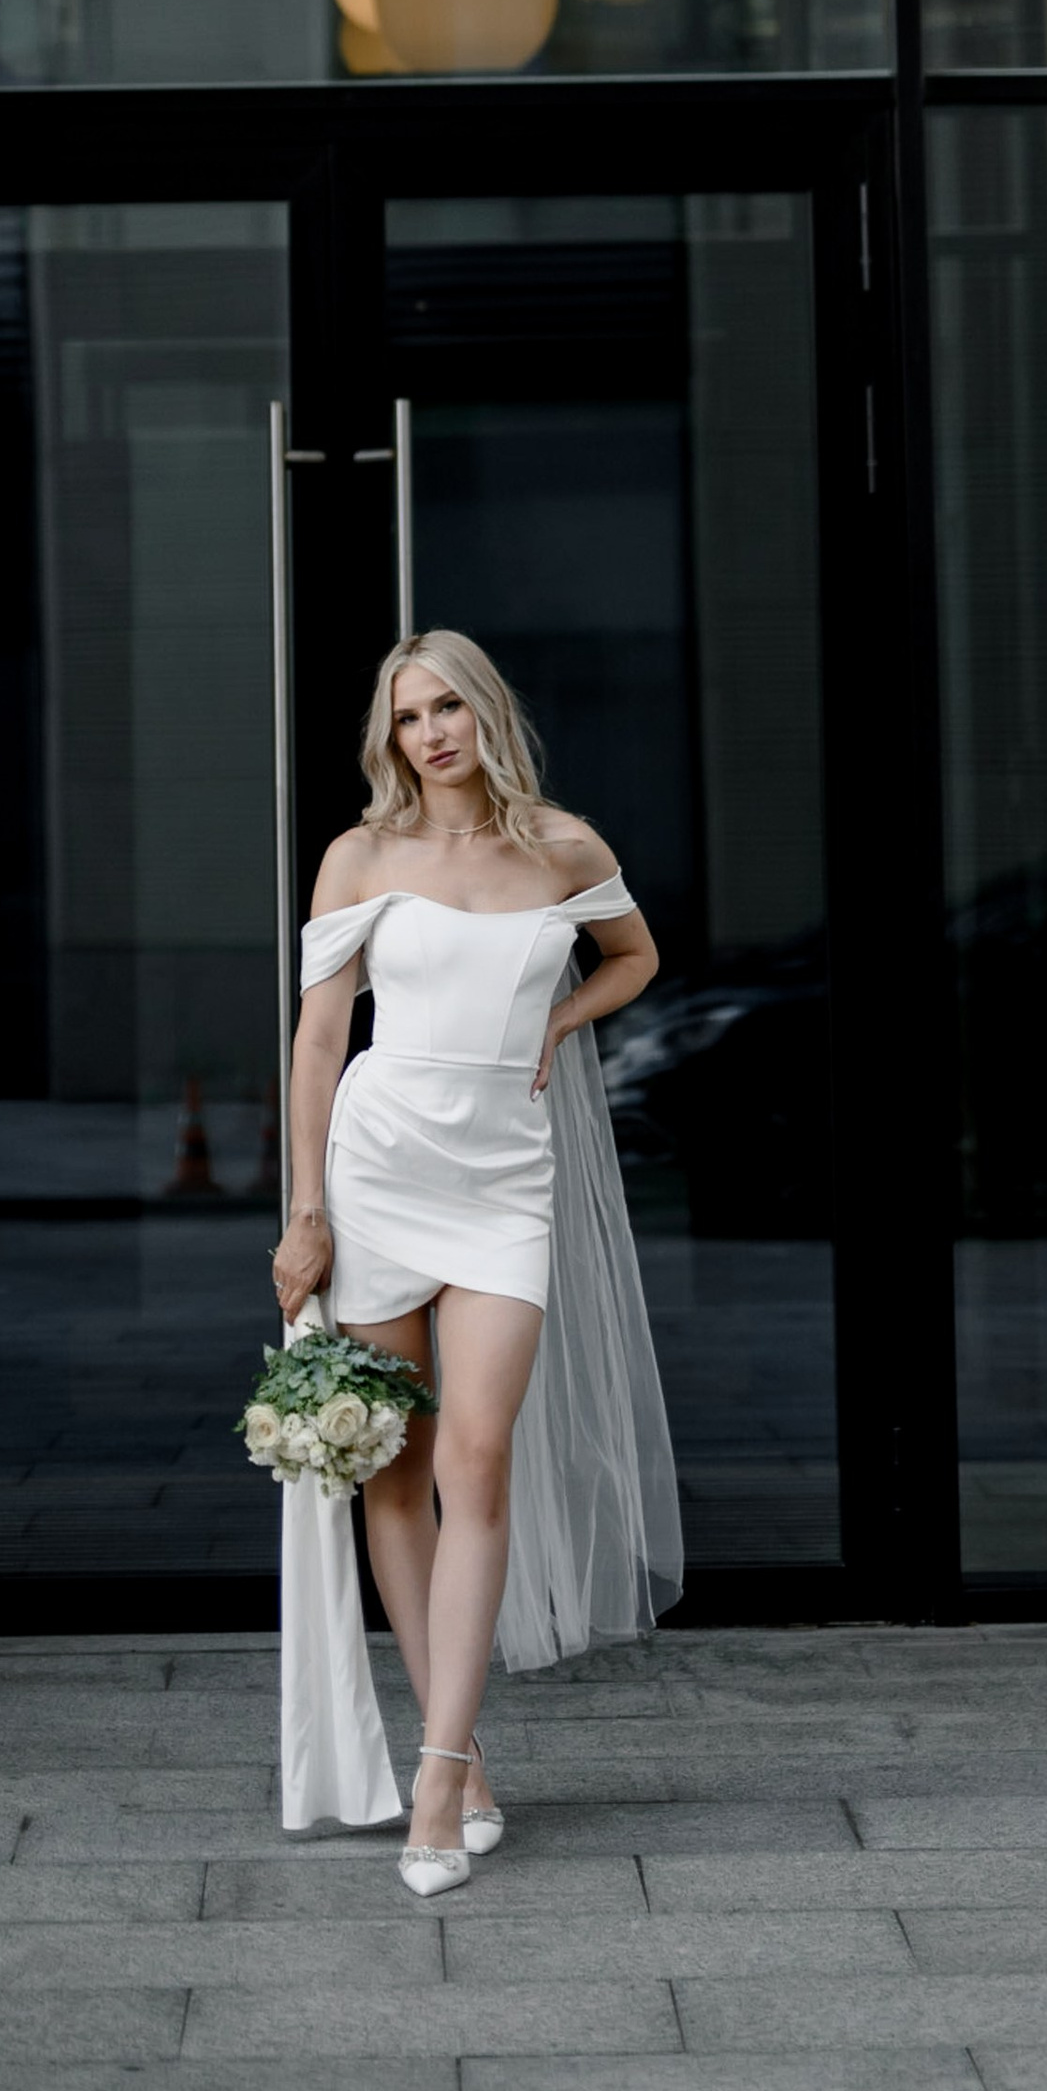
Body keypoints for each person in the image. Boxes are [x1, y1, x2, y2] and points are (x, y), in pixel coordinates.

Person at [271, 629, 680, 1896]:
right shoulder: (362, 855)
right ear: (388, 738)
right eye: (407, 717)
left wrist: (556, 1020)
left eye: (448, 706)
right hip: (378, 1167)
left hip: (504, 1178)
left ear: (484, 711)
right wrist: (304, 1214)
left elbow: (636, 959)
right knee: (392, 1475)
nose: (431, 733)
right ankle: (464, 1750)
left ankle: (435, 1777)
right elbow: (321, 1041)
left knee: (477, 1453)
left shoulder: (564, 847)